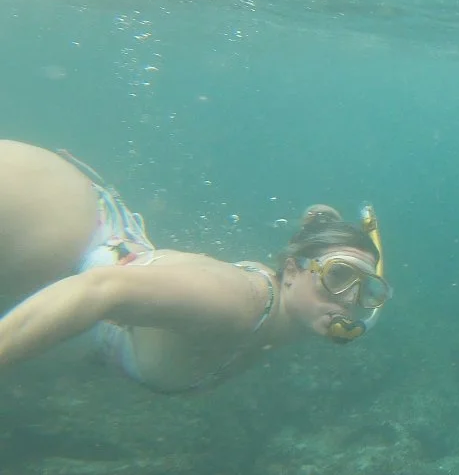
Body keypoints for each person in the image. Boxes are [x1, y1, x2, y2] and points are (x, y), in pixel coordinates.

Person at [0, 140, 392, 393]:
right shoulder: (240, 303)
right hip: (56, 221)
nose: (350, 301)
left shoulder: (283, 316)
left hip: (73, 228)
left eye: (367, 290)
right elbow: (100, 291)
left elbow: (318, 224)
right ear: (291, 271)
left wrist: (321, 219)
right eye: (338, 276)